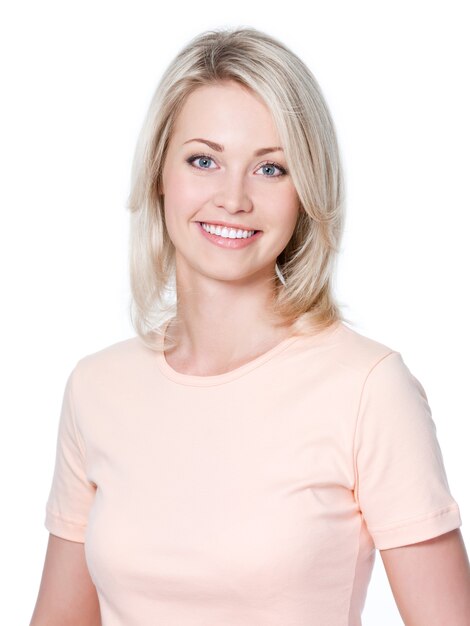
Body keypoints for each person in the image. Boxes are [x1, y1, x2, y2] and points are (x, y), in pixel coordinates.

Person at [30, 26, 470, 626]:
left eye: (271, 169)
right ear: (160, 173)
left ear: (307, 190)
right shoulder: (96, 386)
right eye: (204, 160)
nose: (232, 198)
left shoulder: (368, 388)